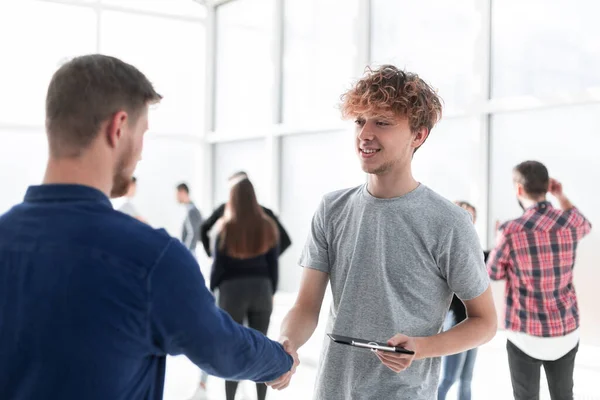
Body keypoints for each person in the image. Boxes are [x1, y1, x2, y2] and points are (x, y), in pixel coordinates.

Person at [0, 54, 296, 400]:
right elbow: (223, 348)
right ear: (118, 127)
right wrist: (280, 360)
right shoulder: (151, 259)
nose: (140, 153)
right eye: (142, 134)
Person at [268, 65, 497, 399]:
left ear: (418, 135)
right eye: (360, 121)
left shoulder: (449, 222)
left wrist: (421, 347)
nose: (365, 133)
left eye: (383, 122)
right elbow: (305, 307)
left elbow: (485, 322)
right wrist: (287, 342)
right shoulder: (332, 209)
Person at [487, 161, 591, 400]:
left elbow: (492, 273)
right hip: (565, 330)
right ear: (548, 187)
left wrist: (498, 243)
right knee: (564, 395)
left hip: (525, 333)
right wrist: (561, 195)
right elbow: (585, 224)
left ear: (519, 190)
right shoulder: (570, 223)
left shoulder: (511, 230)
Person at [211, 178, 280, 400]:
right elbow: (273, 266)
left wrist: (212, 292)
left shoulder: (225, 226)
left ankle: (230, 398)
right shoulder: (267, 225)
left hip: (232, 292)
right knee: (261, 348)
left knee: (232, 349)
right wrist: (270, 292)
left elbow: (218, 266)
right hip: (261, 289)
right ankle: (261, 398)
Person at [437, 201, 488, 400]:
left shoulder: (474, 253)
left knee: (466, 378)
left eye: (471, 216)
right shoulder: (445, 250)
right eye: (464, 214)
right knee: (449, 378)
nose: (467, 220)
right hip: (456, 322)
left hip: (474, 323)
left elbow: (491, 261)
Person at [200, 171, 291, 258]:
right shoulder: (265, 214)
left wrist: (212, 254)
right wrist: (267, 259)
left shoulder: (224, 211)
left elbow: (203, 228)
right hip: (256, 270)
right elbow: (285, 240)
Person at [176, 182, 203, 255]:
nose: (176, 197)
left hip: (189, 252)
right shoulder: (189, 209)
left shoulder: (192, 211)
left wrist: (185, 251)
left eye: (177, 194)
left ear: (183, 192)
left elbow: (193, 233)